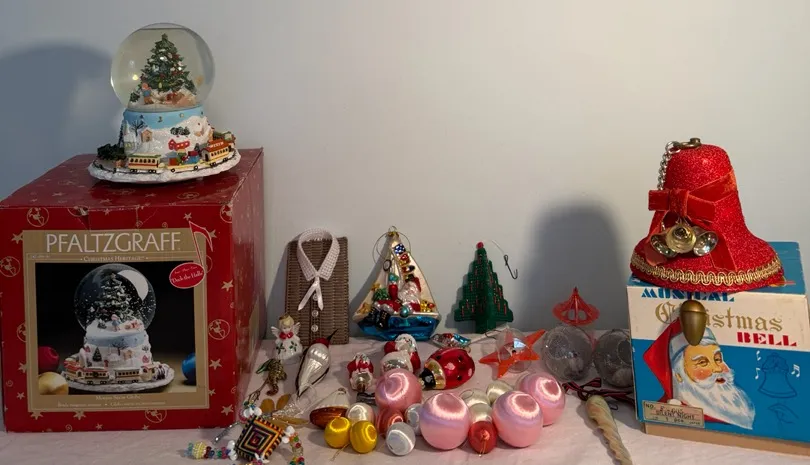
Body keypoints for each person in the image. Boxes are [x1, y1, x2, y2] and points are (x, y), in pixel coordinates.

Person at [644, 320, 755, 429]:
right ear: (678, 375)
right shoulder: (674, 413)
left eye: (718, 359)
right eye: (702, 362)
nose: (718, 369)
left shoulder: (742, 409)